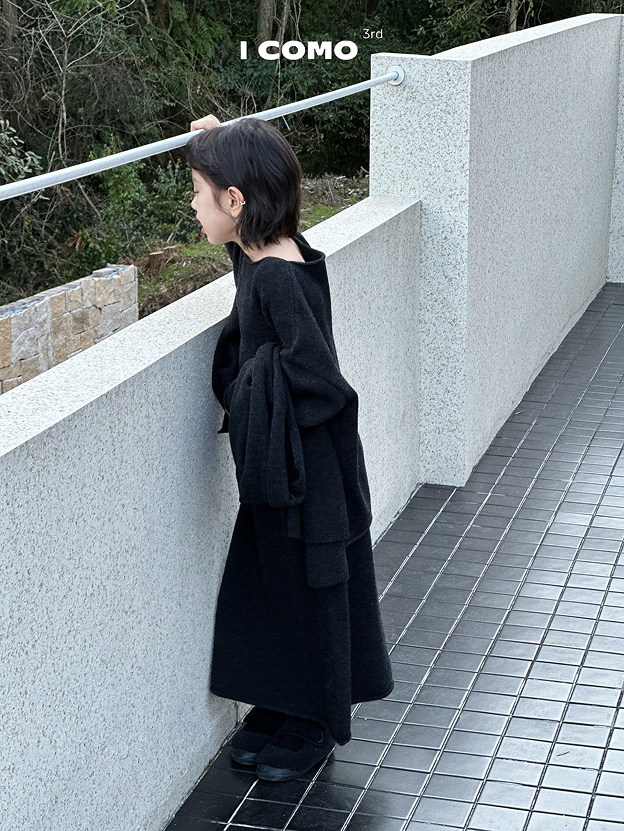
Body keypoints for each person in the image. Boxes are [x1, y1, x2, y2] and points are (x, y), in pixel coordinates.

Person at [185, 115, 394, 783]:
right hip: (287, 465)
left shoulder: (278, 276)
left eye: (198, 191)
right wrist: (218, 136)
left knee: (311, 589)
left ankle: (315, 722)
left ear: (235, 200)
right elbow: (244, 263)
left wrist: (253, 386)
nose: (191, 203)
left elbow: (321, 381)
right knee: (275, 581)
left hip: (310, 471)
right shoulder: (267, 252)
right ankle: (281, 701)